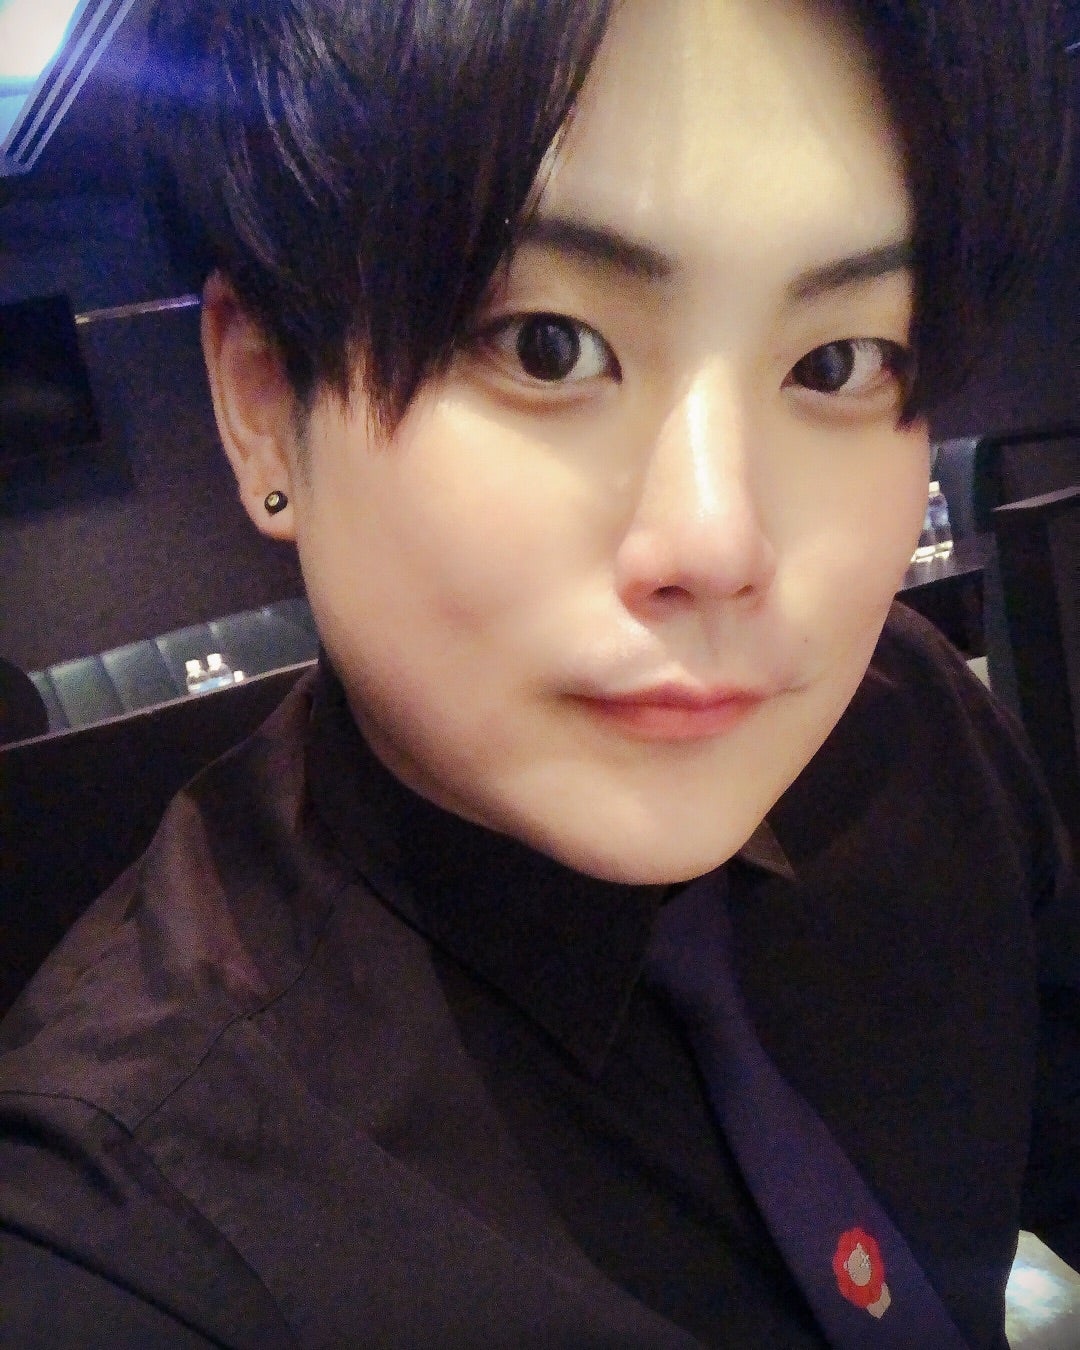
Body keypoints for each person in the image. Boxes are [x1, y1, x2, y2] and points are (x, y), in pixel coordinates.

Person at [0, 0, 1076, 1345]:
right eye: (547, 345)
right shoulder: (120, 1234)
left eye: (837, 360)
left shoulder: (915, 727)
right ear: (265, 398)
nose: (720, 543)